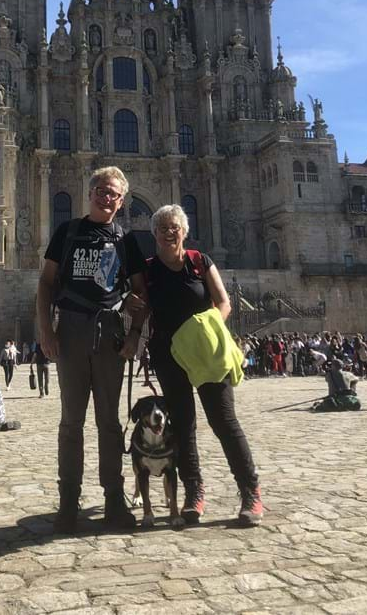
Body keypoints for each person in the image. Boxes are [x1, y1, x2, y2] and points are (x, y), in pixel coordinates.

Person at [37, 165, 148, 533]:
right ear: (91, 192)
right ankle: (68, 500)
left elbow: (139, 292)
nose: (106, 196)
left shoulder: (125, 240)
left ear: (121, 199)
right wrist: (46, 331)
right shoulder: (67, 232)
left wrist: (134, 336)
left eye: (114, 192)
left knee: (109, 422)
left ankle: (114, 497)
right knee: (71, 421)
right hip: (69, 329)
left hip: (109, 332)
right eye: (101, 189)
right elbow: (46, 284)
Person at [145, 203, 263, 527]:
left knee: (224, 421)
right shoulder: (148, 270)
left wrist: (207, 327)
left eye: (175, 227)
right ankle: (193, 492)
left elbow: (224, 301)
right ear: (154, 233)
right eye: (163, 227)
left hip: (207, 351)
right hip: (169, 355)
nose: (170, 232)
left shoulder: (200, 262)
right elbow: (138, 307)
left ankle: (250, 491)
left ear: (184, 231)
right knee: (183, 425)